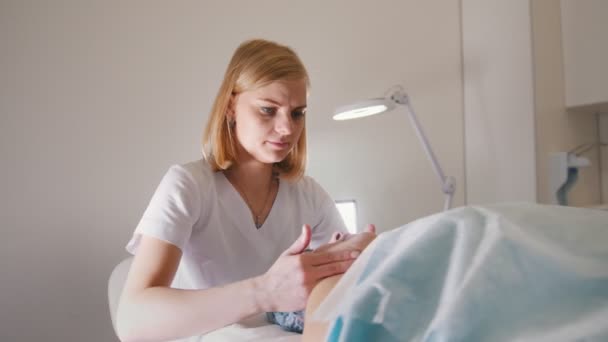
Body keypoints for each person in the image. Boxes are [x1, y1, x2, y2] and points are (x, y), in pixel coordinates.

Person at [115, 38, 375, 342]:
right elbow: (132, 323)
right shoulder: (188, 186)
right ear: (230, 108)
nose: (287, 129)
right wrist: (265, 292)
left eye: (297, 113)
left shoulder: (308, 195)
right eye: (268, 110)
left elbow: (344, 286)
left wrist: (360, 254)